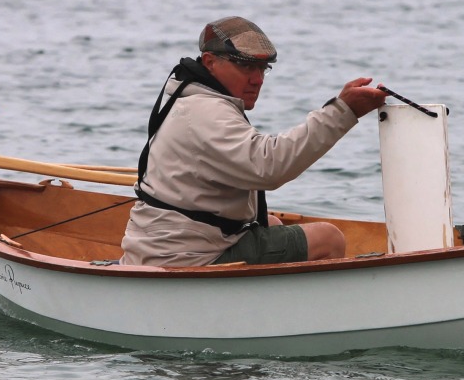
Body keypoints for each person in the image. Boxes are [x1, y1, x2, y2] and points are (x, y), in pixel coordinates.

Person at [120, 16, 385, 267]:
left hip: (159, 248)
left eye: (262, 68)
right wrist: (343, 112)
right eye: (245, 66)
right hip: (184, 259)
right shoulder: (206, 112)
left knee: (271, 224)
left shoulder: (188, 97)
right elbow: (269, 167)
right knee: (328, 239)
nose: (257, 80)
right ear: (210, 62)